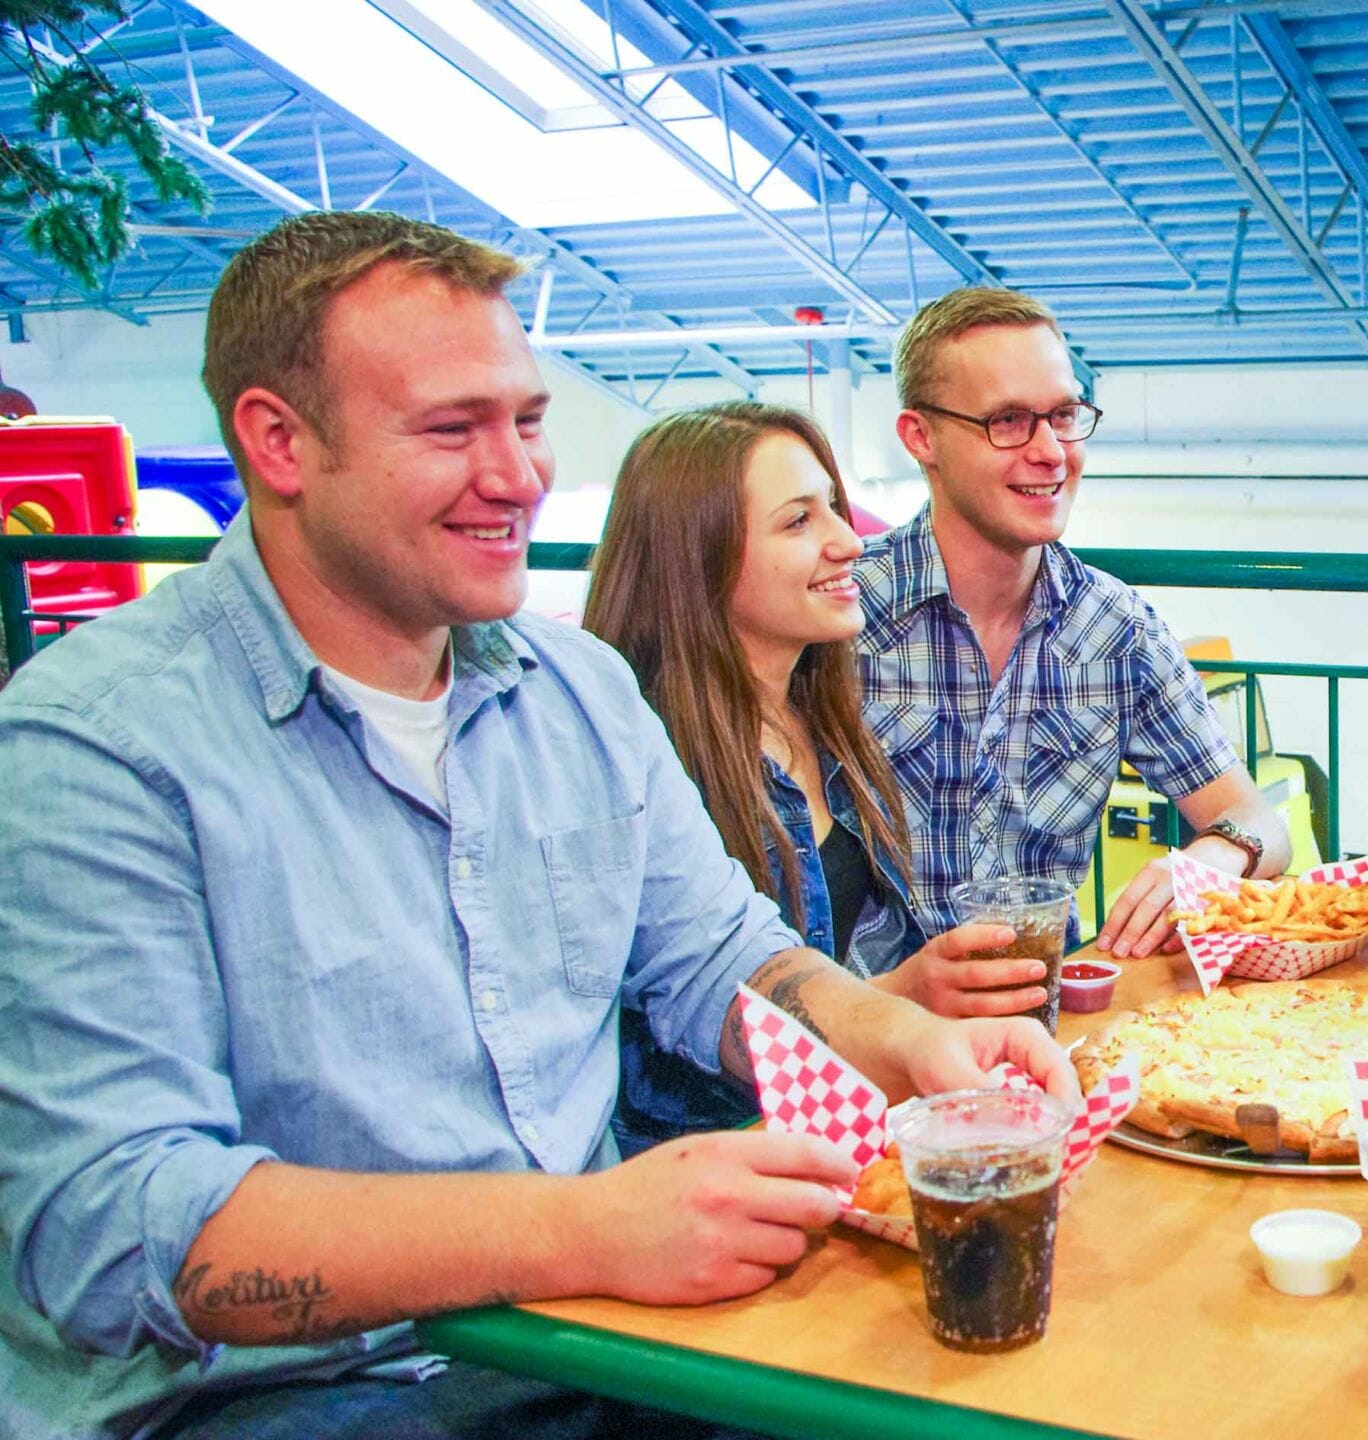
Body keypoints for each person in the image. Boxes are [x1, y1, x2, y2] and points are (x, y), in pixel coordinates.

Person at [0, 212, 1073, 1440]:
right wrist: (589, 1229)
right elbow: (108, 1230)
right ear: (279, 441)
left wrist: (898, 1038)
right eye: (453, 429)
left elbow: (724, 955)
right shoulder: (98, 740)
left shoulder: (577, 692)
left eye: (524, 419)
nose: (517, 476)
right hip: (278, 1396)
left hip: (586, 1341)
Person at [586, 402, 1058, 1156]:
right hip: (724, 1172)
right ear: (697, 558)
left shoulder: (829, 719)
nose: (847, 541)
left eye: (834, 507)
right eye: (798, 522)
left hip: (866, 1136)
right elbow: (667, 1067)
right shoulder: (642, 762)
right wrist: (897, 1002)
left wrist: (917, 1003)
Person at [851, 285, 1289, 966]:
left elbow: (1262, 821)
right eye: (1008, 421)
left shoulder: (1117, 629)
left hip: (1044, 1020)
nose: (1052, 452)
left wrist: (1211, 858)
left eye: (1063, 414)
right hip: (862, 1035)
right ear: (920, 437)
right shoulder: (841, 614)